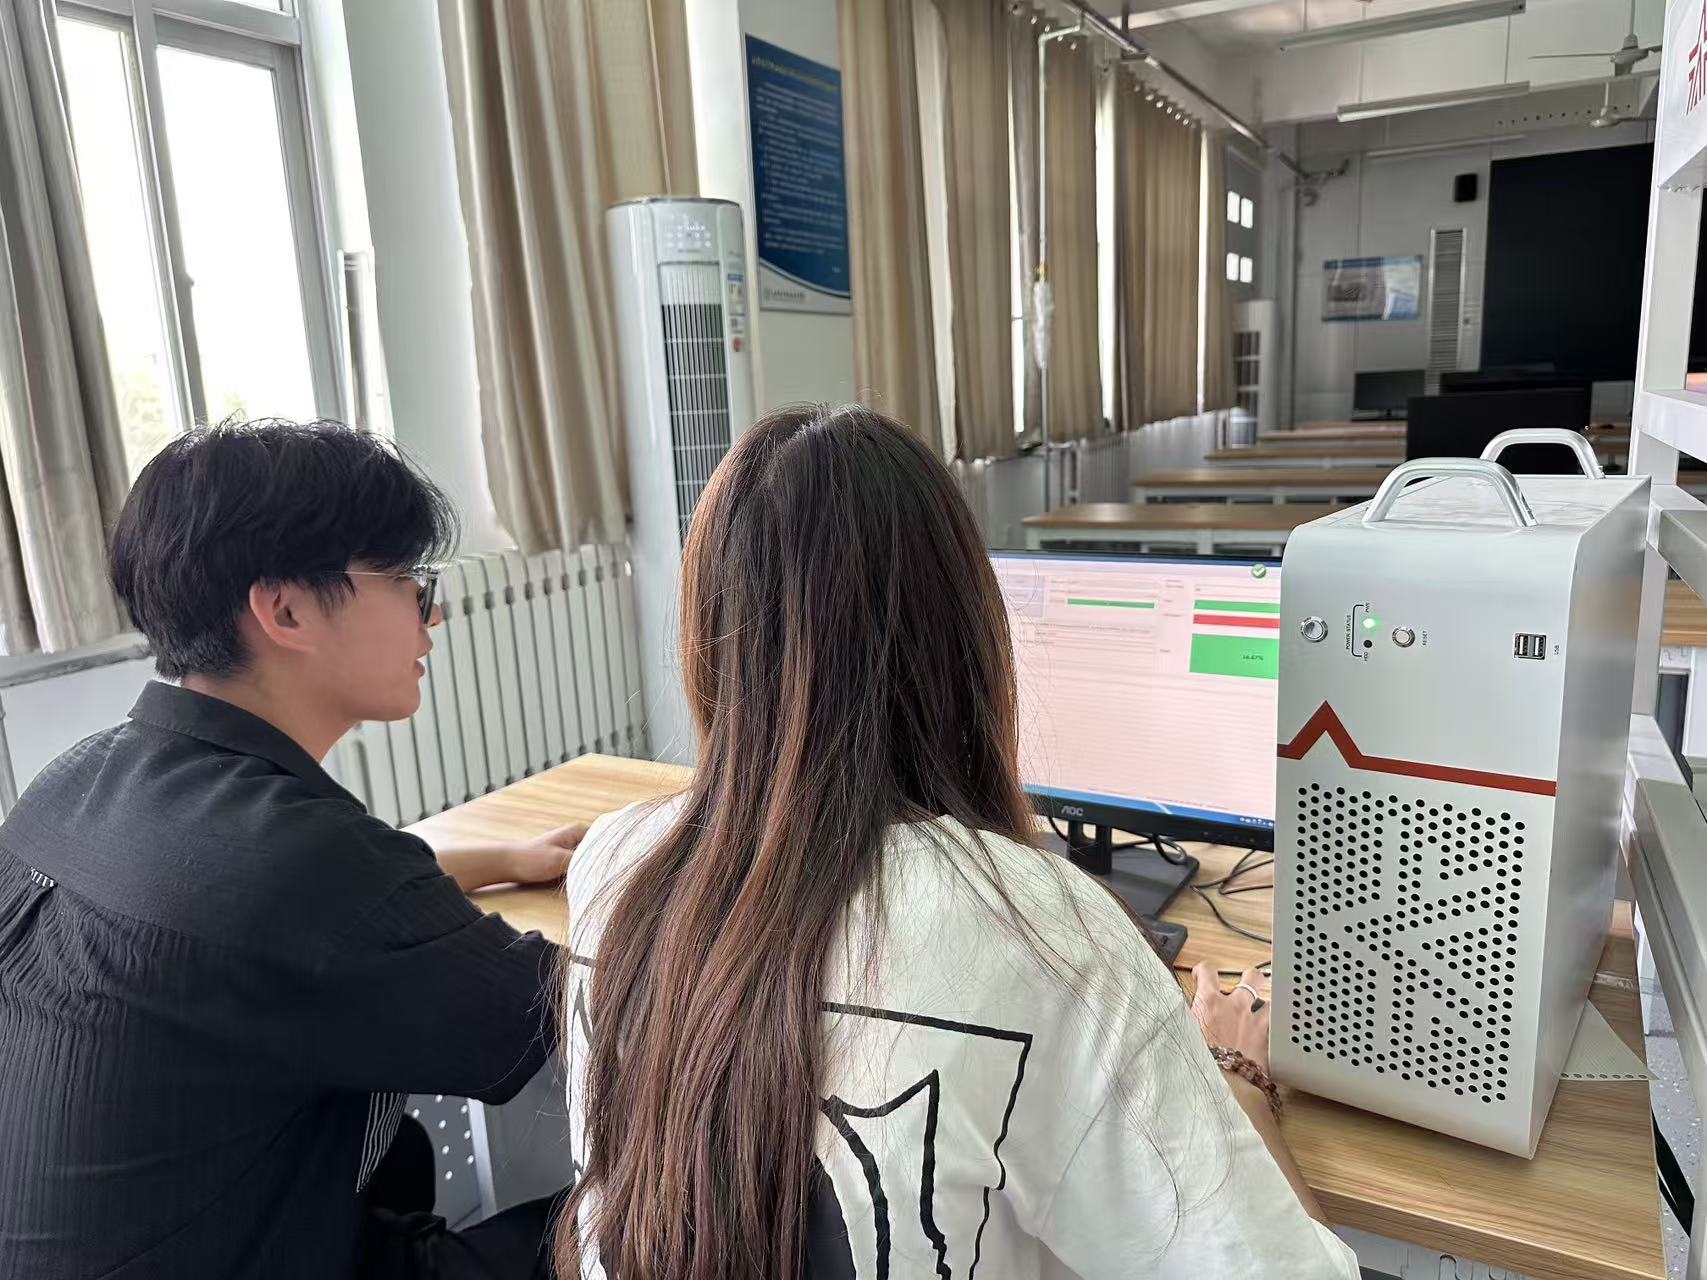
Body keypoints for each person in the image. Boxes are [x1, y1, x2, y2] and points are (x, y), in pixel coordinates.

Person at [557, 405, 1359, 1279]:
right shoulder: (1042, 929)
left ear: (708, 635)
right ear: (963, 636)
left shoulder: (612, 862)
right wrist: (1236, 1076)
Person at [0, 420, 578, 1280]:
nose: (432, 615)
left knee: (402, 1151)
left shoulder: (76, 781)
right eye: (408, 583)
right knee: (657, 1208)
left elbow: (281, 904)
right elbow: (565, 1012)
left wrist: (506, 856)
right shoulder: (306, 866)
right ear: (286, 609)